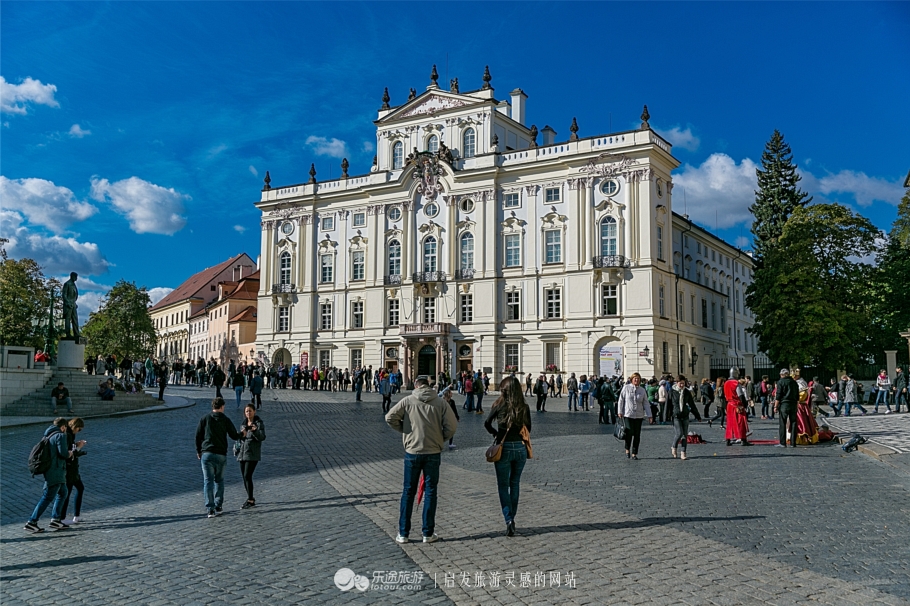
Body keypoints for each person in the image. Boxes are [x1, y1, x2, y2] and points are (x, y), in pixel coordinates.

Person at [385, 376, 458, 544]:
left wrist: (405, 431)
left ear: (416, 385)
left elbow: (389, 417)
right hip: (433, 451)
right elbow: (452, 426)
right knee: (431, 492)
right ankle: (428, 533)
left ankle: (403, 533)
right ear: (429, 386)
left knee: (408, 492)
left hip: (412, 451)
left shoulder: (408, 400)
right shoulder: (440, 402)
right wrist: (441, 438)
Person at [484, 376, 532, 537]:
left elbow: (487, 423)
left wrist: (496, 434)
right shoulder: (523, 407)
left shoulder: (498, 404)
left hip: (503, 448)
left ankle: (509, 519)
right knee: (515, 483)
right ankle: (512, 517)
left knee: (503, 485)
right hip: (519, 448)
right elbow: (528, 429)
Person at [195, 398, 243, 518]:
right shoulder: (225, 419)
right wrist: (243, 433)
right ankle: (218, 505)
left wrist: (199, 450)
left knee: (208, 481)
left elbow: (198, 435)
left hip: (207, 453)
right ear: (222, 407)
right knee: (219, 480)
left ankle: (210, 509)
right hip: (221, 454)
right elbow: (234, 435)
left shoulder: (205, 418)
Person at [24, 418, 72, 533]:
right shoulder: (60, 436)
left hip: (53, 470)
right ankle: (32, 521)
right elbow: (63, 453)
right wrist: (70, 453)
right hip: (56, 471)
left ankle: (55, 519)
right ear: (63, 427)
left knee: (63, 492)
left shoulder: (48, 435)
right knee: (47, 497)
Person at [235, 403, 266, 510]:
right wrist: (240, 434)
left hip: (252, 453)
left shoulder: (258, 423)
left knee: (248, 475)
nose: (248, 413)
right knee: (244, 476)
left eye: (250, 411)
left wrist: (255, 431)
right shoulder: (243, 424)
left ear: (254, 411)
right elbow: (241, 438)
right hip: (242, 453)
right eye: (246, 411)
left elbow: (262, 437)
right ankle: (250, 497)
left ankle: (251, 499)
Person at [617, 372, 650, 459]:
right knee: (629, 432)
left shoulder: (642, 390)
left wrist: (650, 415)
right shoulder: (626, 388)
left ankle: (634, 453)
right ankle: (627, 448)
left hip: (639, 415)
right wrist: (620, 411)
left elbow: (646, 403)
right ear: (631, 379)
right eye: (635, 378)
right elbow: (621, 400)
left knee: (637, 435)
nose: (636, 380)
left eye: (638, 379)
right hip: (628, 414)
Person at [60, 418, 86, 524]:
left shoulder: (70, 434)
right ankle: (63, 517)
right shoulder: (68, 435)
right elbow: (69, 453)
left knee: (76, 489)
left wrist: (76, 445)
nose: (78, 432)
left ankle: (74, 516)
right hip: (70, 468)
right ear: (75, 427)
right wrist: (78, 447)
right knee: (69, 491)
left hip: (71, 468)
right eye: (79, 429)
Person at [670, 375, 696, 460]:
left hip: (685, 415)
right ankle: (674, 446)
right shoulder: (672, 391)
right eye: (680, 383)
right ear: (677, 383)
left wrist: (697, 415)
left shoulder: (687, 392)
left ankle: (683, 453)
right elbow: (668, 404)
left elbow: (692, 404)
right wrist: (666, 416)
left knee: (685, 435)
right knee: (679, 433)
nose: (682, 385)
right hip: (676, 415)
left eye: (683, 383)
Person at [724, 368, 751, 446]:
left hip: (729, 405)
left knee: (730, 423)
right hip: (737, 405)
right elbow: (740, 395)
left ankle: (728, 440)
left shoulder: (726, 383)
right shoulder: (736, 383)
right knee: (741, 422)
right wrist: (745, 405)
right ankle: (743, 439)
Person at [775, 369, 799, 447]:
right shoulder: (794, 382)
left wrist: (775, 406)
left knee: (782, 423)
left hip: (784, 404)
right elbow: (797, 396)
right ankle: (793, 442)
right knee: (794, 423)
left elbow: (778, 395)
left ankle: (782, 443)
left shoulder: (780, 382)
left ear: (782, 375)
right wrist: (797, 405)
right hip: (793, 404)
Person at [439, 384, 460, 449]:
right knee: (450, 430)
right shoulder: (451, 402)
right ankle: (450, 443)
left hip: (442, 417)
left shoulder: (441, 401)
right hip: (449, 417)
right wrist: (457, 417)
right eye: (451, 393)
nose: (452, 394)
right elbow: (454, 410)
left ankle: (441, 443)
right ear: (448, 394)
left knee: (441, 430)